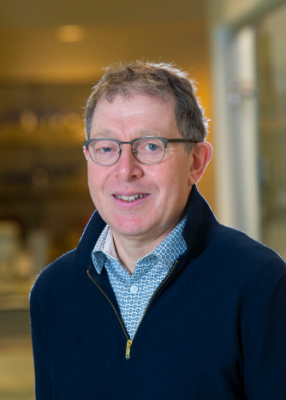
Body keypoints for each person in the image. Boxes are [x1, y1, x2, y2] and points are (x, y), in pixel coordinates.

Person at [30, 61, 286, 400]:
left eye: (150, 146)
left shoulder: (260, 283)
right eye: (106, 148)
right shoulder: (53, 291)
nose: (126, 170)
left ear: (196, 162)